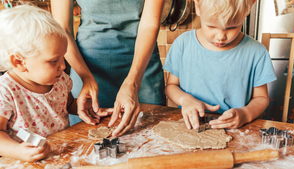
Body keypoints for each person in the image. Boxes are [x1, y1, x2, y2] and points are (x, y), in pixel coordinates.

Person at [0, 4, 112, 162]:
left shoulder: (60, 80)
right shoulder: (5, 91)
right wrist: (17, 151)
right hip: (24, 162)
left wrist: (84, 108)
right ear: (19, 62)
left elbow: (66, 104)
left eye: (63, 58)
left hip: (60, 155)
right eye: (54, 61)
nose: (63, 66)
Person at [51, 0, 166, 136]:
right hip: (86, 67)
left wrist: (133, 82)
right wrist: (86, 78)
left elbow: (150, 24)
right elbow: (62, 30)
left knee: (151, 138)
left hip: (142, 65)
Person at [163, 0, 277, 130]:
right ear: (197, 7)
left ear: (248, 9)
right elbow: (171, 86)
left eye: (231, 27)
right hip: (191, 127)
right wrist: (184, 99)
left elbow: (261, 98)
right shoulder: (182, 44)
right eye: (211, 26)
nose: (220, 36)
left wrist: (245, 114)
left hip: (236, 130)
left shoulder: (257, 52)